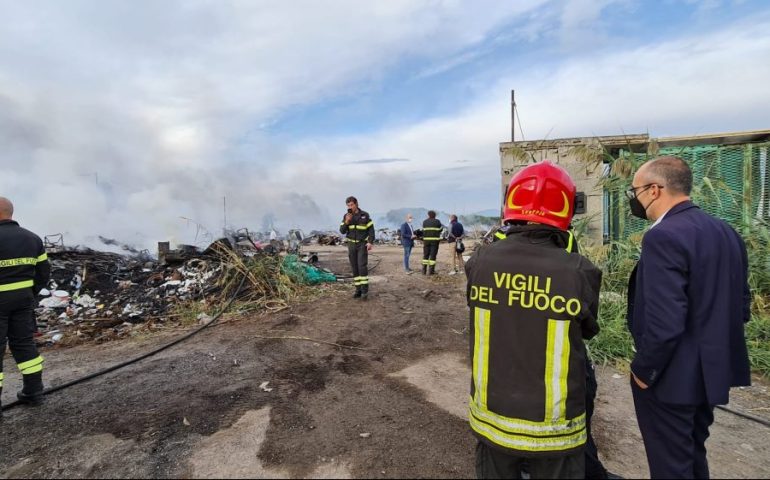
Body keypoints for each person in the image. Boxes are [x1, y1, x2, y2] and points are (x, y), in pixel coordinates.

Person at [466, 161, 602, 479]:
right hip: (554, 432)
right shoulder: (578, 270)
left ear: (511, 203)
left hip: (492, 421)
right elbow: (587, 331)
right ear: (567, 208)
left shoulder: (480, 261)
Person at [625, 156, 751, 479]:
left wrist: (644, 370)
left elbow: (665, 322)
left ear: (655, 190)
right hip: (710, 375)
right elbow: (741, 306)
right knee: (693, 455)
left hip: (670, 377)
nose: (634, 199)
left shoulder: (662, 236)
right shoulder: (726, 232)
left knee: (670, 466)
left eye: (635, 191)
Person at [0, 196, 50, 413]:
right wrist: (29, 292)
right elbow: (43, 272)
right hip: (23, 301)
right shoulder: (32, 239)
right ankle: (34, 392)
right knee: (23, 344)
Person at [339, 196, 374, 300]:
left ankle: (364, 292)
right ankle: (357, 290)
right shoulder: (346, 216)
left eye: (352, 205)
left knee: (362, 267)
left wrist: (370, 242)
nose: (350, 207)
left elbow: (371, 231)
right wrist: (346, 222)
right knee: (354, 268)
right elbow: (342, 231)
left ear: (356, 204)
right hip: (351, 245)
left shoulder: (365, 215)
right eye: (348, 205)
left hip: (362, 245)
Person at [421, 210, 442, 275]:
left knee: (425, 255)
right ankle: (431, 271)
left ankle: (423, 271)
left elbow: (423, 231)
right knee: (433, 256)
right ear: (435, 215)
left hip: (426, 241)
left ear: (428, 215)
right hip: (434, 241)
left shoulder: (424, 222)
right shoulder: (437, 221)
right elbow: (441, 229)